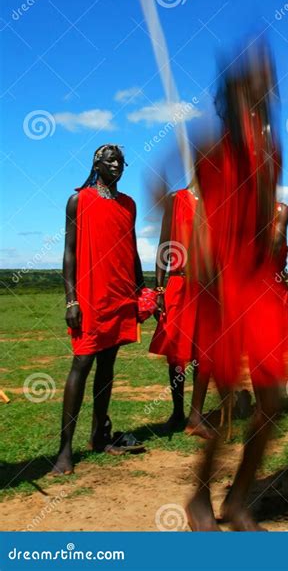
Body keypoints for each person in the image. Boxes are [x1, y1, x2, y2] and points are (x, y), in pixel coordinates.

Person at [185, 41, 288, 532]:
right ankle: (200, 497)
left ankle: (240, 497)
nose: (265, 92)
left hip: (260, 283)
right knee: (229, 403)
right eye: (254, 85)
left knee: (272, 402)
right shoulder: (212, 146)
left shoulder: (273, 149)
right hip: (224, 284)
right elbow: (208, 215)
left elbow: (264, 215)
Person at [52, 145, 144, 476]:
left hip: (120, 296)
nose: (117, 165)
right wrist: (71, 300)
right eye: (111, 160)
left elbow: (132, 249)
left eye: (121, 160)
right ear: (96, 164)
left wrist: (143, 289)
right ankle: (64, 451)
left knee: (107, 366)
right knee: (82, 362)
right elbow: (69, 253)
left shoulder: (128, 204)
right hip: (89, 298)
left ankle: (99, 435)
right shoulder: (79, 200)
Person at [149, 182, 213, 438]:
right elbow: (164, 244)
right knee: (177, 353)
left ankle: (196, 416)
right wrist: (159, 288)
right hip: (178, 281)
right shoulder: (176, 198)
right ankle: (178, 412)